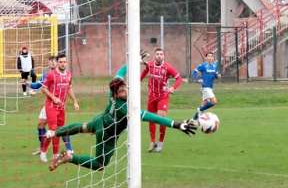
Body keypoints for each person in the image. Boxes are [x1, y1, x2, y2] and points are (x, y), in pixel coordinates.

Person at [47, 65, 196, 171]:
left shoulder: (112, 90)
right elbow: (151, 117)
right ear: (116, 94)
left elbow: (120, 73)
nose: (125, 91)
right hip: (108, 134)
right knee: (100, 165)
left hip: (101, 120)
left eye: (125, 88)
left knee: (82, 127)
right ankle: (70, 158)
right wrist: (176, 124)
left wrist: (133, 62)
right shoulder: (125, 108)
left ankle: (55, 133)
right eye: (122, 91)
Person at [140, 48, 183, 153]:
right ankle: (152, 142)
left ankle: (160, 143)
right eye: (157, 54)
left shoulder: (167, 67)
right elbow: (144, 72)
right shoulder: (150, 65)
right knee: (151, 119)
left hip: (163, 96)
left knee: (161, 119)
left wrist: (173, 88)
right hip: (151, 97)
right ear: (155, 56)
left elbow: (179, 78)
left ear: (163, 56)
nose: (159, 56)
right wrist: (138, 80)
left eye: (161, 54)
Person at [39, 53, 79, 163]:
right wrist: (53, 98)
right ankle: (45, 151)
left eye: (64, 62)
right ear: (57, 63)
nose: (62, 64)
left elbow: (69, 88)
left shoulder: (69, 75)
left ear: (67, 62)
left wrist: (75, 102)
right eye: (60, 62)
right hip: (51, 105)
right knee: (53, 130)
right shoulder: (51, 75)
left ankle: (54, 154)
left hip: (62, 107)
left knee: (60, 130)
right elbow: (43, 89)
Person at [192, 52, 220, 120]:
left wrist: (217, 76)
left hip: (210, 88)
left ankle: (193, 120)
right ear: (206, 58)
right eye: (208, 56)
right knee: (214, 102)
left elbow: (215, 75)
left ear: (213, 58)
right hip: (205, 87)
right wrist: (197, 79)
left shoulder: (214, 66)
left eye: (211, 56)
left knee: (204, 104)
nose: (210, 58)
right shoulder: (203, 65)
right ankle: (199, 109)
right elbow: (194, 72)